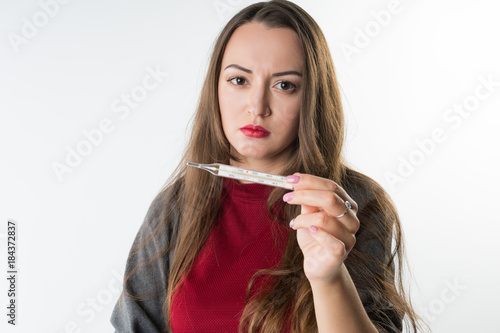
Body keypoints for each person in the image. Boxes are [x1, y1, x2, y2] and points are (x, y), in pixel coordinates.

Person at [111, 1, 424, 332]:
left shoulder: (351, 205)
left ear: (311, 97)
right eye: (239, 80)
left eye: (284, 85)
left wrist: (328, 276)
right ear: (215, 87)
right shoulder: (174, 209)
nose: (257, 107)